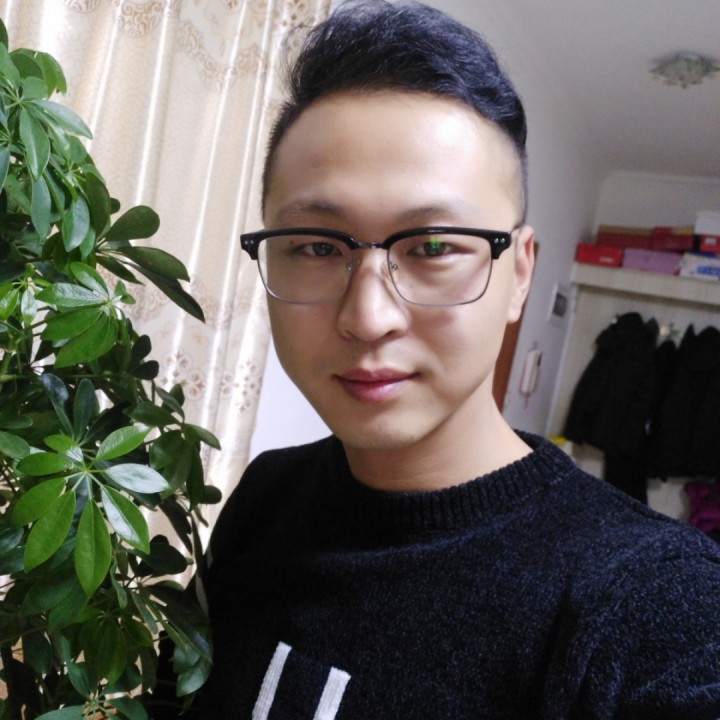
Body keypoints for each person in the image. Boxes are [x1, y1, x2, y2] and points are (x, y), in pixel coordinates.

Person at [165, 1, 720, 717]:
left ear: (519, 273)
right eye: (317, 246)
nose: (367, 318)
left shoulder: (652, 600)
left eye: (432, 247)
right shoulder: (268, 494)